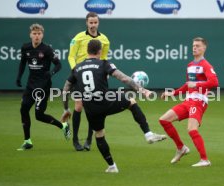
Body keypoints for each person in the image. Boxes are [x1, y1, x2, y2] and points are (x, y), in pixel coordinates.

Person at [62, 39, 166, 173]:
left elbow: (65, 90)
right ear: (100, 51)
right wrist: (142, 90)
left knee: (99, 135)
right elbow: (124, 78)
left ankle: (112, 166)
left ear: (87, 51)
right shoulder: (104, 63)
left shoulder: (76, 68)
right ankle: (148, 134)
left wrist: (66, 109)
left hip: (90, 109)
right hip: (106, 101)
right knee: (131, 102)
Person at [159, 37, 219, 167]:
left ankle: (205, 160)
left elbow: (214, 82)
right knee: (164, 120)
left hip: (199, 101)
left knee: (192, 129)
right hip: (188, 100)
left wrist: (196, 84)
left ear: (204, 48)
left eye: (198, 46)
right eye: (193, 45)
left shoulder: (206, 65)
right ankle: (181, 148)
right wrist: (172, 93)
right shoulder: (190, 65)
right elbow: (188, 85)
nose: (195, 48)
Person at [16, 23, 70, 151]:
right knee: (23, 109)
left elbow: (58, 65)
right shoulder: (25, 47)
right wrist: (19, 77)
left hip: (43, 86)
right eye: (34, 34)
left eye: (39, 34)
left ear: (42, 35)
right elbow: (23, 63)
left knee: (39, 116)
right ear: (30, 35)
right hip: (30, 85)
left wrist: (50, 73)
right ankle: (27, 141)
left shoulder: (47, 49)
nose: (36, 36)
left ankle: (63, 126)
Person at [65, 12, 110, 151]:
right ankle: (75, 140)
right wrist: (75, 71)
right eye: (90, 22)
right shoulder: (78, 38)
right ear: (86, 23)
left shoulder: (104, 40)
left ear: (98, 23)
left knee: (92, 107)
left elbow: (103, 58)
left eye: (95, 22)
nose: (93, 25)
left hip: (95, 77)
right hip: (80, 76)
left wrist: (104, 73)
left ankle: (89, 140)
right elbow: (71, 56)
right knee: (78, 106)